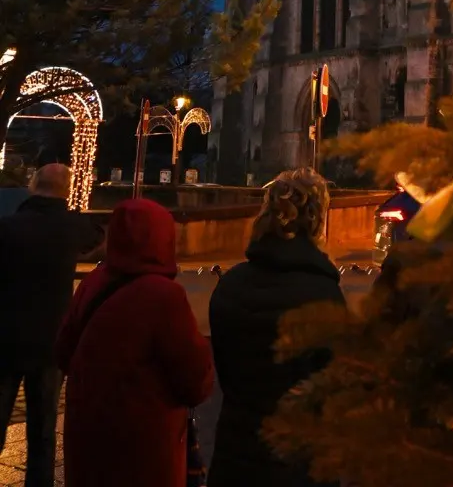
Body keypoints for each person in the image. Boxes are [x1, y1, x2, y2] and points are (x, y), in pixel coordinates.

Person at [57, 197, 214, 487]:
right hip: (145, 443)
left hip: (89, 434)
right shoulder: (165, 296)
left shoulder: (93, 282)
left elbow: (64, 350)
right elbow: (195, 382)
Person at [208, 168, 346, 487]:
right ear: (318, 221)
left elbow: (227, 372)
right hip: (297, 463)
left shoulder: (231, 285)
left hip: (235, 456)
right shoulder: (322, 294)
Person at [0, 162, 103, 487]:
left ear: (33, 186)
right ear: (66, 191)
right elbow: (98, 237)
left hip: (5, 339)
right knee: (43, 430)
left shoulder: (8, 227)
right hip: (50, 344)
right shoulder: (73, 227)